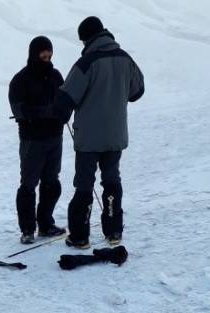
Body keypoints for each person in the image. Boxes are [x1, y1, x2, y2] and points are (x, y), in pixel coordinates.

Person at [55, 16, 145, 248]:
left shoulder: (87, 62)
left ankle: (80, 236)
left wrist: (58, 111)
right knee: (112, 180)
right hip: (115, 136)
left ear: (87, 38)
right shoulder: (125, 59)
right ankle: (114, 232)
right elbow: (137, 91)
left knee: (84, 184)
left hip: (89, 139)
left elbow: (66, 98)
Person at [8, 36, 67, 244]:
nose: (47, 56)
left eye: (49, 53)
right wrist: (47, 112)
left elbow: (65, 100)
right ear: (34, 53)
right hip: (32, 140)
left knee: (52, 183)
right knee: (28, 185)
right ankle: (27, 230)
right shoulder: (20, 80)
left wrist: (64, 113)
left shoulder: (56, 76)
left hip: (55, 137)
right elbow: (18, 109)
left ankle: (45, 224)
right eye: (43, 53)